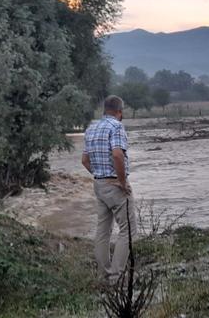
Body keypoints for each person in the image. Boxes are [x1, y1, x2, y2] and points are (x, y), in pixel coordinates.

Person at [81, 95, 137, 281]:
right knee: (128, 230)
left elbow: (84, 160)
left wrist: (99, 174)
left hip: (99, 184)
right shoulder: (116, 126)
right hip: (114, 184)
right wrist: (121, 182)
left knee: (103, 230)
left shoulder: (91, 128)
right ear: (119, 112)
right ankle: (116, 277)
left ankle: (104, 273)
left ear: (104, 110)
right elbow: (118, 155)